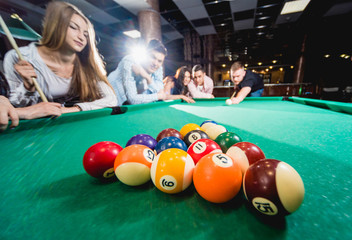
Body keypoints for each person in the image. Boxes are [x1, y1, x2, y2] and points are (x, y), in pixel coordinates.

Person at [1, 1, 117, 131]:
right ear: (56, 27)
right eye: (73, 27)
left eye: (86, 34)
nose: (82, 37)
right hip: (31, 130)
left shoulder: (86, 64)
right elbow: (12, 109)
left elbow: (111, 99)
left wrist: (69, 110)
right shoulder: (20, 57)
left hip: (67, 125)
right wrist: (28, 88)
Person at [108, 39, 171, 105]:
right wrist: (158, 96)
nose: (155, 63)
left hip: (129, 101)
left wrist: (148, 78)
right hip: (113, 94)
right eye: (152, 57)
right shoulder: (130, 61)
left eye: (159, 61)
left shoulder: (158, 67)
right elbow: (132, 100)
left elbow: (160, 92)